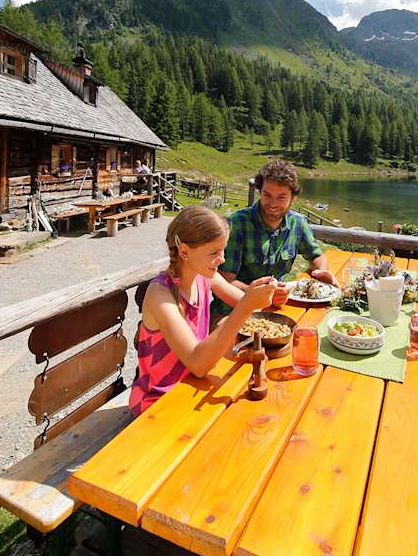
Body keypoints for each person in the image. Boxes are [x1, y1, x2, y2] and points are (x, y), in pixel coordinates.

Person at [129, 206, 277, 417]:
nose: (223, 259)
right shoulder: (160, 295)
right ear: (185, 252)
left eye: (223, 250)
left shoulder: (205, 276)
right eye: (214, 252)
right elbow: (198, 364)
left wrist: (261, 291)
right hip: (157, 401)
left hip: (190, 386)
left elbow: (246, 303)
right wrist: (246, 306)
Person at [219, 159, 337, 317]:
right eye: (267, 195)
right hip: (233, 310)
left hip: (277, 308)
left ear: (293, 197)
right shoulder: (237, 223)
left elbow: (316, 256)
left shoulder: (298, 223)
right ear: (260, 191)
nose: (272, 203)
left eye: (281, 197)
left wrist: (321, 273)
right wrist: (262, 295)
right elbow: (225, 280)